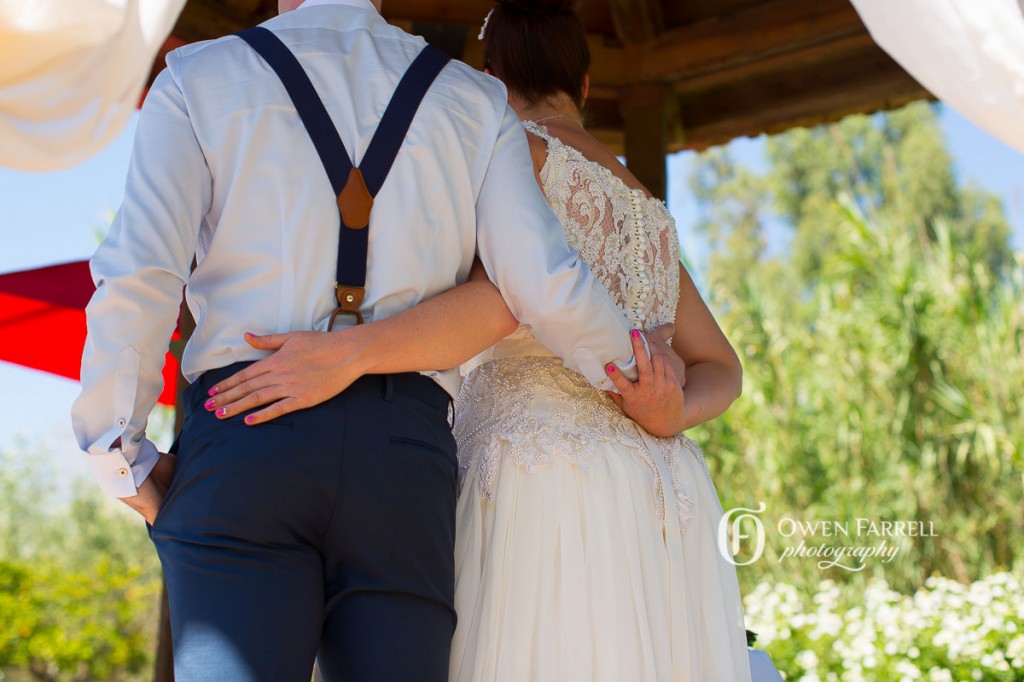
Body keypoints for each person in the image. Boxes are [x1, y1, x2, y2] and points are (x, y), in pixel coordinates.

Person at [70, 0, 642, 679]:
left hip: (245, 430)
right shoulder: (473, 98)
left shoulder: (200, 76)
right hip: (402, 457)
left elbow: (141, 272)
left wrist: (118, 452)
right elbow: (541, 281)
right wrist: (636, 368)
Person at [449, 1, 753, 679]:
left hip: (540, 482)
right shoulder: (647, 210)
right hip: (656, 488)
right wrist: (671, 410)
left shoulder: (509, 158)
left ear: (492, 81)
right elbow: (723, 367)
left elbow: (465, 310)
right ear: (585, 85)